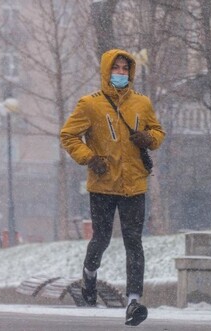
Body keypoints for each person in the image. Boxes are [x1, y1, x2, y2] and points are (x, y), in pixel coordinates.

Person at [60, 49, 165, 326]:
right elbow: (68, 135)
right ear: (107, 72)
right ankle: (89, 273)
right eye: (116, 68)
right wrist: (89, 158)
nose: (120, 73)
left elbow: (158, 132)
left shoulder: (142, 102)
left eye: (124, 69)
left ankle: (134, 302)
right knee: (102, 238)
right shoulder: (90, 104)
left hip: (134, 184)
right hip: (103, 183)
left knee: (134, 241)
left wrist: (148, 138)